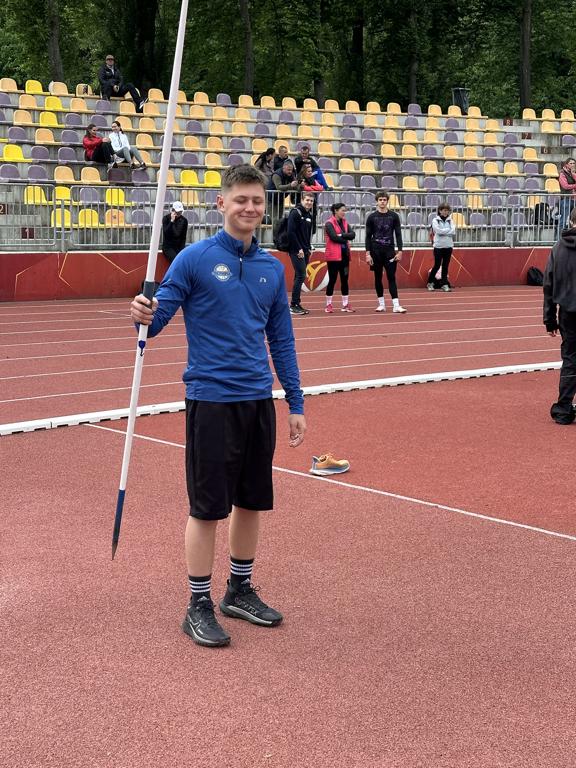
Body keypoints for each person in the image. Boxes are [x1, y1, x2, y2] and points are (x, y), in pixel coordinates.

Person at [130, 164, 306, 648]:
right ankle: (198, 603)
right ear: (221, 203)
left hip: (257, 400)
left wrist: (294, 400)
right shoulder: (195, 258)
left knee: (251, 502)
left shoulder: (272, 268)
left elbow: (281, 340)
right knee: (207, 508)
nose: (250, 207)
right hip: (211, 401)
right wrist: (141, 312)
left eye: (257, 200)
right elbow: (155, 321)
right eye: (241, 199)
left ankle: (239, 589)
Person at [543, 206, 576, 425]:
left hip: (568, 313)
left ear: (571, 221)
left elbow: (548, 285)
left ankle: (564, 408)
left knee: (570, 359)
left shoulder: (558, 248)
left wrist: (549, 319)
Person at [365, 191, 407, 313]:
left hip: (390, 252)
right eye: (380, 200)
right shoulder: (371, 217)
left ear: (387, 201)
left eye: (384, 200)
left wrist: (400, 251)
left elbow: (398, 234)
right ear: (377, 201)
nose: (382, 202)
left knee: (391, 277)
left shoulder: (394, 216)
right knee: (377, 277)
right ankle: (381, 304)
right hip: (375, 252)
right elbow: (368, 236)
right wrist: (368, 254)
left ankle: (396, 305)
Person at [324, 203, 356, 313]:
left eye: (345, 210)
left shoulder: (345, 222)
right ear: (336, 211)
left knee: (345, 280)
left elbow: (353, 235)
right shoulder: (329, 223)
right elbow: (333, 238)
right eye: (342, 210)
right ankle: (328, 304)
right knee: (332, 280)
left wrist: (341, 235)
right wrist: (345, 236)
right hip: (333, 257)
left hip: (345, 256)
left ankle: (345, 304)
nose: (344, 212)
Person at [287, 190, 314, 315]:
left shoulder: (309, 215)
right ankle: (293, 305)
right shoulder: (295, 213)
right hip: (296, 250)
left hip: (305, 250)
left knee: (299, 276)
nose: (309, 202)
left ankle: (296, 303)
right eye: (307, 200)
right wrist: (299, 249)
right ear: (302, 200)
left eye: (311, 201)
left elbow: (307, 234)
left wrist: (309, 247)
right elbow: (291, 233)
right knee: (301, 275)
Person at [427, 203, 456, 292]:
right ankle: (430, 282)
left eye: (447, 210)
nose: (446, 212)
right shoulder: (435, 220)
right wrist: (447, 231)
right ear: (440, 211)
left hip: (448, 246)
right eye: (444, 210)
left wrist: (444, 231)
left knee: (445, 266)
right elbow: (438, 231)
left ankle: (444, 284)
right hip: (438, 246)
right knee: (437, 265)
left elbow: (453, 231)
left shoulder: (451, 220)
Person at [558, 158, 576, 232]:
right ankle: (559, 237)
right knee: (563, 220)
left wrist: (573, 174)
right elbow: (565, 186)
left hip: (574, 199)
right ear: (566, 164)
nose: (572, 165)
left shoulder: (573, 173)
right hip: (566, 199)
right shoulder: (562, 173)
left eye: (574, 163)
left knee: (574, 220)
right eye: (570, 163)